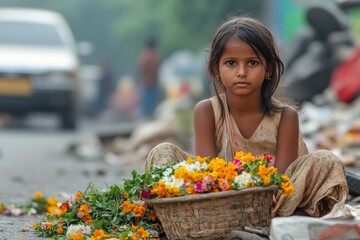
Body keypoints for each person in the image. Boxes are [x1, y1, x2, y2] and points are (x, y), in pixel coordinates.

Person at [144, 16, 348, 218]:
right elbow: (207, 174)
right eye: (231, 63)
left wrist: (261, 190)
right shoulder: (207, 111)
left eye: (252, 63)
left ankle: (262, 216)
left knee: (326, 160)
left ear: (268, 69)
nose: (241, 72)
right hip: (217, 196)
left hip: (271, 199)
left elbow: (282, 181)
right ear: (216, 69)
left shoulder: (285, 116)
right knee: (163, 152)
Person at [137, 38, 161, 119]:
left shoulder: (144, 55)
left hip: (146, 83)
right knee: (149, 104)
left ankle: (145, 119)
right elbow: (153, 70)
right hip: (150, 83)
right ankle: (146, 119)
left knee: (146, 104)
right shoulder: (151, 56)